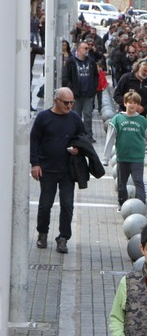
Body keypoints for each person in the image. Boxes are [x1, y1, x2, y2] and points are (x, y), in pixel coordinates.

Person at [30, 87, 87, 254]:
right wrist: (35, 164)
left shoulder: (75, 118)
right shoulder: (43, 117)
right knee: (45, 205)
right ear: (56, 100)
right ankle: (42, 233)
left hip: (68, 170)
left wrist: (77, 148)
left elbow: (83, 138)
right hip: (47, 169)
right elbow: (34, 141)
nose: (69, 106)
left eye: (72, 103)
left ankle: (63, 238)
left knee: (67, 205)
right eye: (66, 103)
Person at [104, 90, 147, 208]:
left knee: (138, 181)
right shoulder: (117, 119)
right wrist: (106, 158)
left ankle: (141, 204)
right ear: (125, 103)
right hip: (122, 157)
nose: (132, 105)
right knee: (122, 183)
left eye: (135, 103)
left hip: (137, 157)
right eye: (130, 102)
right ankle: (122, 204)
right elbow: (110, 138)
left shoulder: (142, 121)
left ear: (138, 105)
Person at [62, 41, 99, 141]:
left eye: (88, 48)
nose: (87, 50)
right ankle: (75, 135)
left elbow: (96, 76)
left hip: (88, 94)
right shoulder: (71, 62)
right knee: (76, 115)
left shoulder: (91, 62)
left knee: (88, 115)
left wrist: (94, 88)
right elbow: (65, 78)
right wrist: (72, 89)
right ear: (78, 50)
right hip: (76, 95)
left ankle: (88, 135)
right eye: (85, 48)